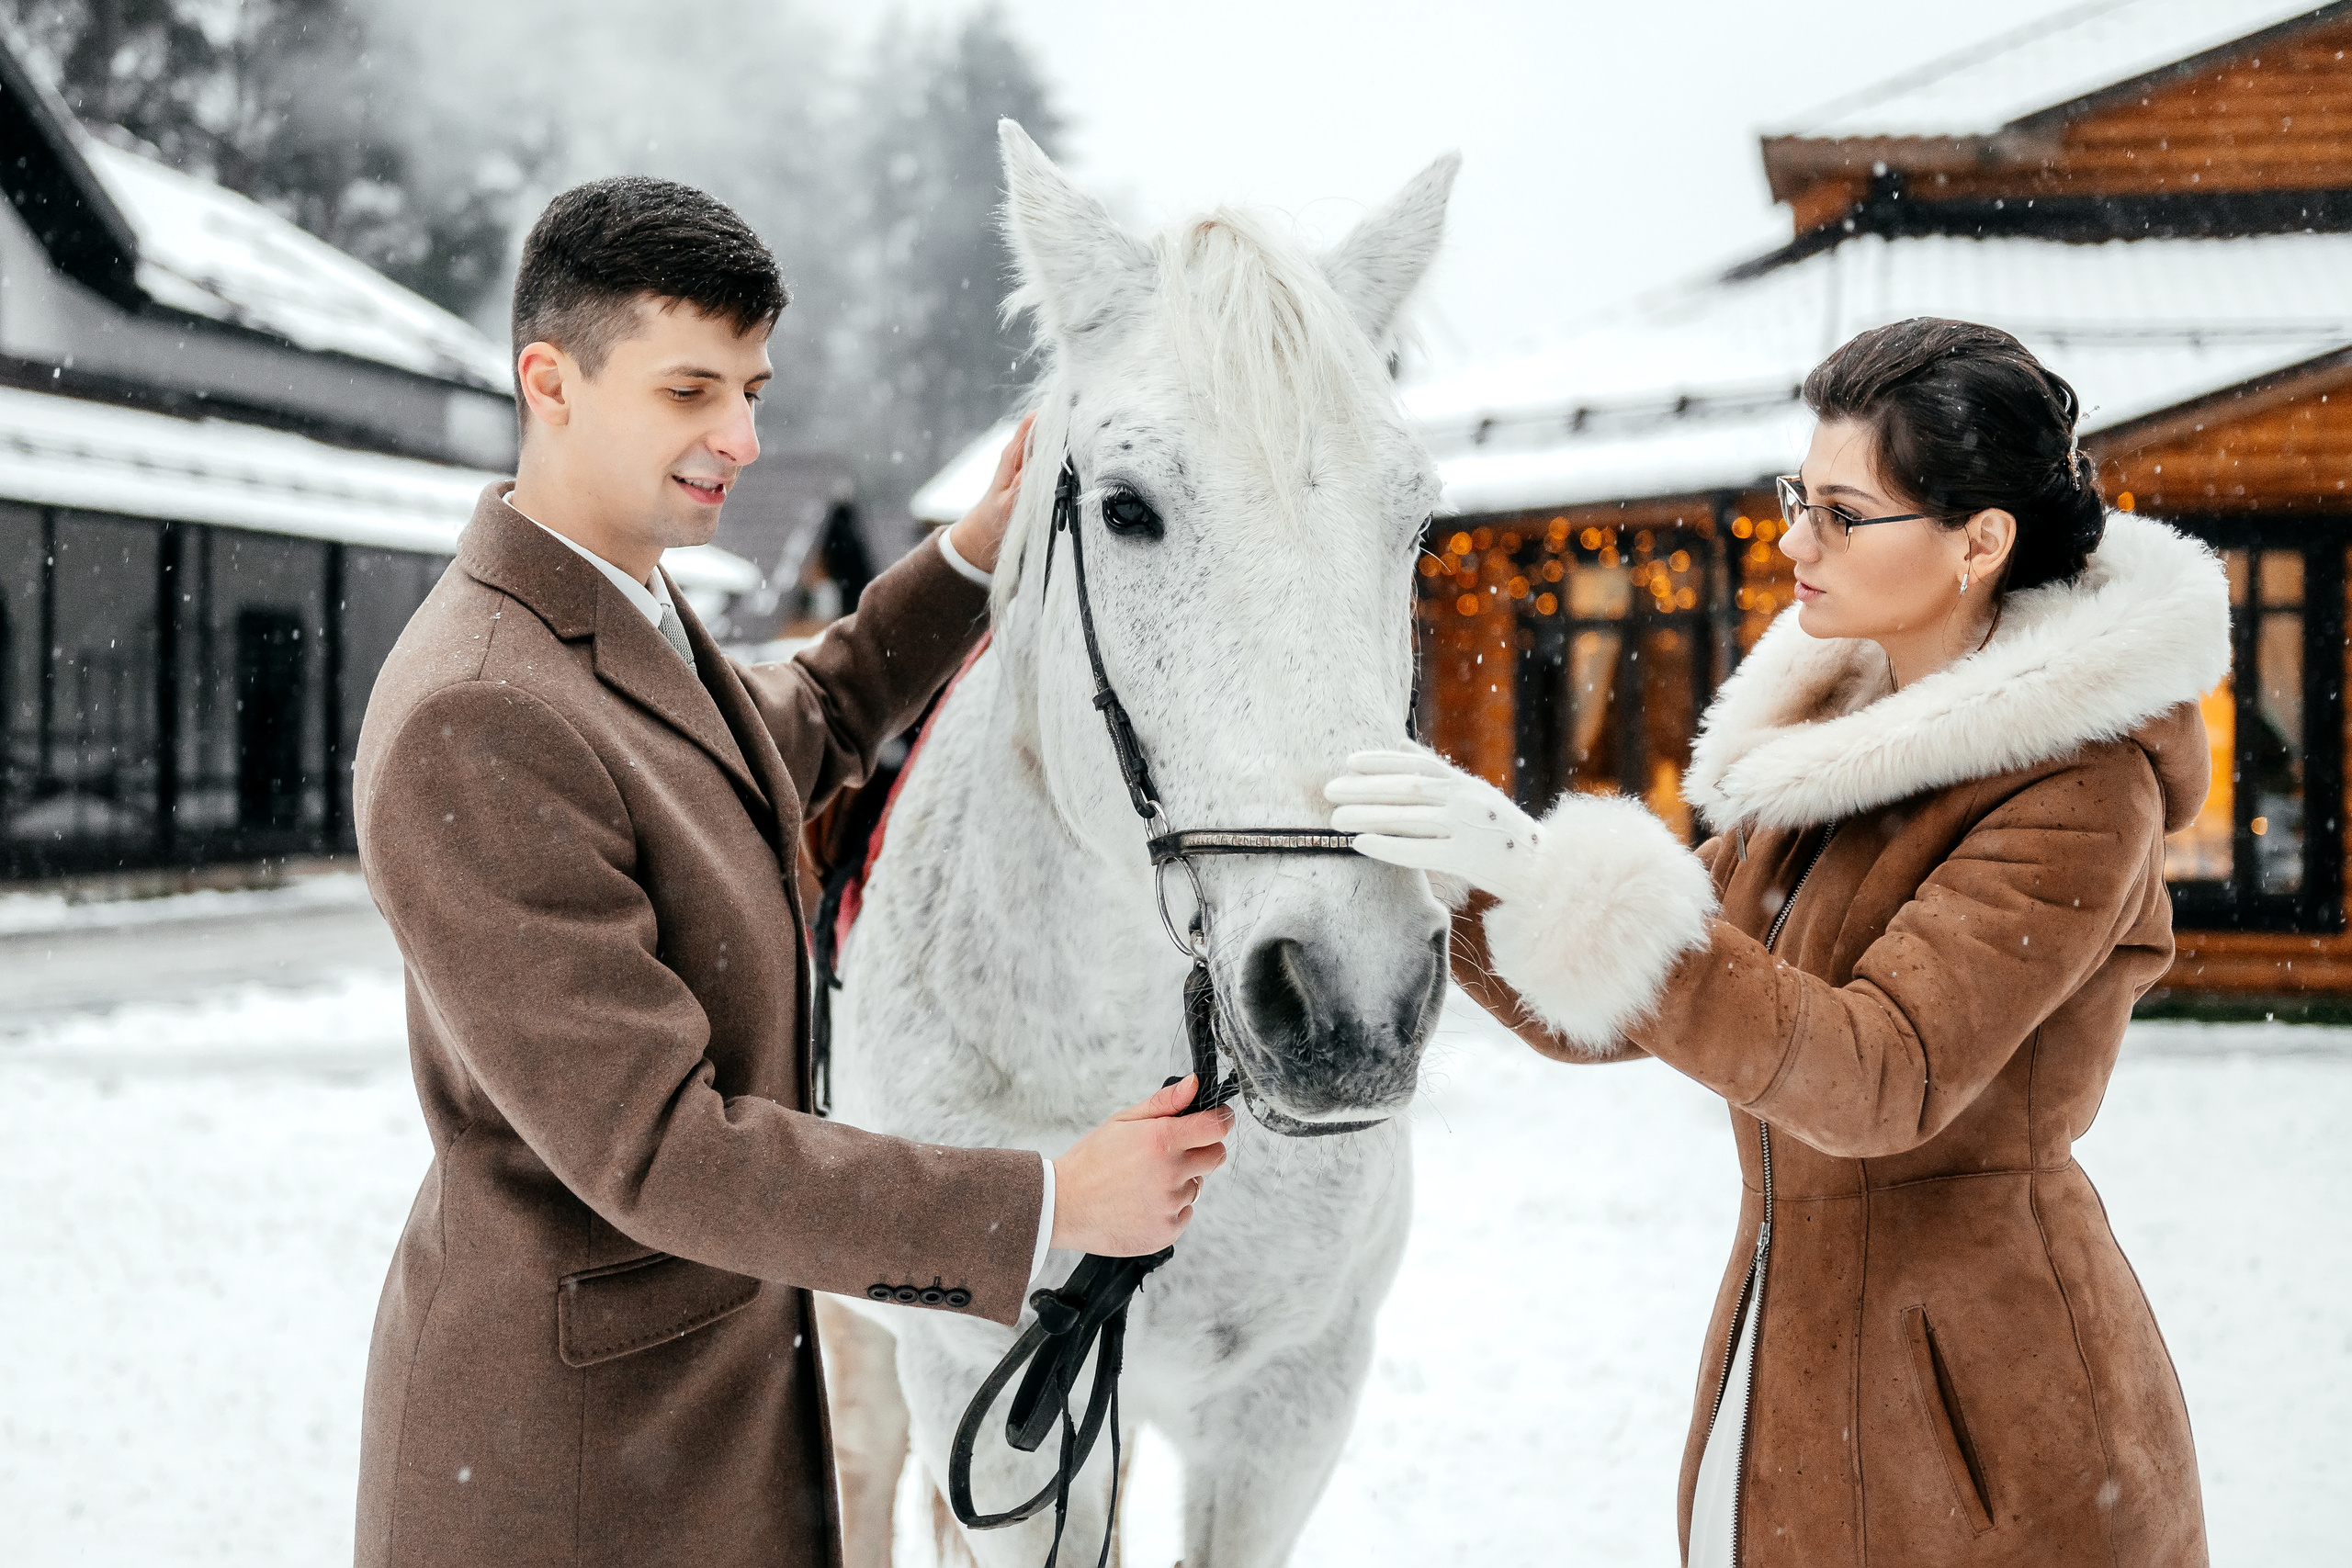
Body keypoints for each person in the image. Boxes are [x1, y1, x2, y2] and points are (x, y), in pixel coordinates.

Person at [350, 176, 1232, 1568]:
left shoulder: (621, 612)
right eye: (692, 391)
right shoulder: (481, 711)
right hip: (569, 1478)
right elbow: (660, 1149)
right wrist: (1053, 1203)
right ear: (550, 381)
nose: (742, 439)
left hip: (687, 1417)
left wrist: (967, 558)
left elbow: (804, 721)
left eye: (752, 390)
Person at [1328, 318, 2223, 1567]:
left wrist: (1550, 872)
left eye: (1844, 514)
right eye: (1801, 495)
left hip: (1989, 1421)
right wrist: (1459, 875)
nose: (1795, 538)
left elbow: (1879, 1075)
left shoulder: (2077, 788)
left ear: (1980, 541)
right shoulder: (1830, 753)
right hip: (1792, 1361)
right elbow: (1617, 996)